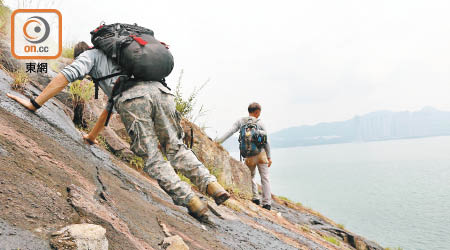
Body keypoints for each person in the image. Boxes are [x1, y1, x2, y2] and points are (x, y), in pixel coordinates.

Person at [6, 41, 230, 220]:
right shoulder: (123, 58)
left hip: (134, 98)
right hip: (163, 93)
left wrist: (35, 104)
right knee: (176, 147)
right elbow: (108, 108)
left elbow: (67, 75)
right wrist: (91, 136)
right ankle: (213, 186)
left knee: (152, 158)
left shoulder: (89, 56)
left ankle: (193, 202)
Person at [216, 102, 273, 210]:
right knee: (265, 178)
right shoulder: (260, 123)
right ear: (257, 112)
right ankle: (267, 203)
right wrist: (269, 157)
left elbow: (230, 132)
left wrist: (218, 141)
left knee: (250, 176)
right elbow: (265, 141)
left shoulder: (241, 121)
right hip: (261, 154)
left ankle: (255, 197)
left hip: (248, 155)